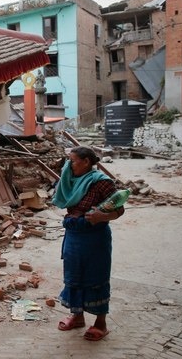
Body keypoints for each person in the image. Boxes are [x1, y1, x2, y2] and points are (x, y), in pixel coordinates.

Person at [51, 146, 125, 342]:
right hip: (74, 234)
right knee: (74, 275)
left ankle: (101, 323)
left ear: (85, 162)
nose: (69, 165)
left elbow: (120, 210)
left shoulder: (102, 182)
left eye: (73, 161)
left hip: (95, 237)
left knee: (95, 275)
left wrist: (102, 216)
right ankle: (77, 316)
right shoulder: (71, 180)